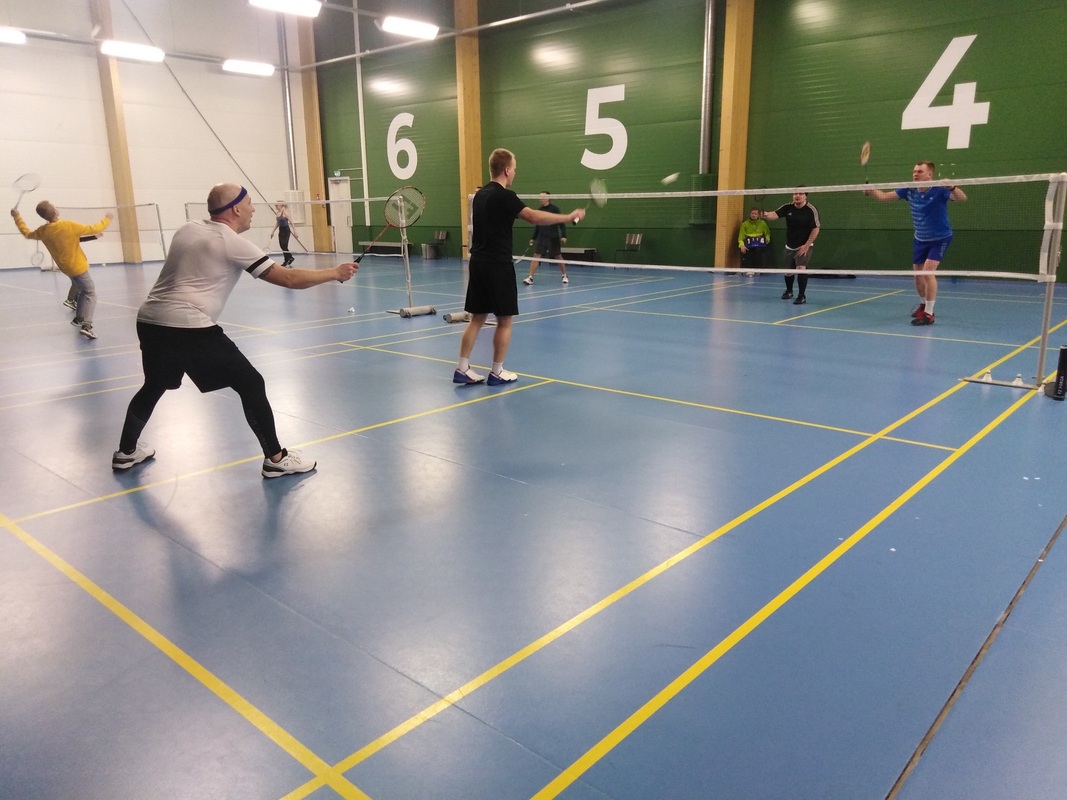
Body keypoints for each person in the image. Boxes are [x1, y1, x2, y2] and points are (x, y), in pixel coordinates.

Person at [112, 182, 358, 477]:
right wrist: (335, 273)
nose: (253, 209)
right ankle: (276, 459)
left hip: (150, 320)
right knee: (251, 383)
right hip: (188, 325)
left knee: (154, 385)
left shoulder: (188, 229)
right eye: (250, 203)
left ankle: (126, 452)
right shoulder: (231, 241)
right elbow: (288, 279)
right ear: (236, 209)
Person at [454, 149, 585, 386]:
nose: (515, 172)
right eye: (514, 168)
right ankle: (497, 372)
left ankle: (462, 368)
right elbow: (534, 217)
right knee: (505, 320)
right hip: (498, 264)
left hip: (478, 262)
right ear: (506, 170)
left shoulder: (480, 195)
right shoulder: (505, 196)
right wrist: (568, 217)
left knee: (477, 318)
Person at [864, 161, 967, 326]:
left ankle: (929, 314)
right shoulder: (909, 189)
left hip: (940, 238)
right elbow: (883, 197)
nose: (915, 174)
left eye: (920, 171)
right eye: (914, 171)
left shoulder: (939, 189)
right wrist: (872, 190)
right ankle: (923, 305)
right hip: (920, 238)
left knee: (927, 272)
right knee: (918, 276)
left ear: (929, 175)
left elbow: (962, 198)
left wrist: (953, 187)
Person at [11, 201, 112, 339]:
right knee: (90, 293)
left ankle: (79, 318)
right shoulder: (69, 225)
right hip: (78, 267)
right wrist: (107, 218)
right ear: (55, 212)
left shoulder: (43, 231)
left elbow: (26, 233)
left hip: (65, 268)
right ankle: (87, 326)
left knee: (82, 290)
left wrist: (16, 216)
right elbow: (94, 228)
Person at [761, 189, 820, 305]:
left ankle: (801, 296)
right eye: (795, 193)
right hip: (790, 245)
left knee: (801, 268)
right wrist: (766, 215)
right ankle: (789, 291)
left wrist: (806, 245)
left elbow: (816, 228)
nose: (797, 196)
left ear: (805, 196)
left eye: (800, 194)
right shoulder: (788, 207)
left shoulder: (811, 210)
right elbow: (775, 214)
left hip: (804, 245)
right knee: (788, 272)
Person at [522, 191, 569, 285]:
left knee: (558, 256)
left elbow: (561, 223)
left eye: (543, 197)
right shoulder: (539, 210)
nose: (541, 199)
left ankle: (564, 276)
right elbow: (537, 225)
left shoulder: (555, 209)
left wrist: (563, 235)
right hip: (542, 237)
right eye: (540, 197)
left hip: (553, 237)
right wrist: (533, 238)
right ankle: (530, 277)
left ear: (548, 198)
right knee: (536, 256)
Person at [737, 206, 771, 271]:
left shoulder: (763, 224)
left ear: (758, 215)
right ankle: (748, 270)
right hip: (748, 245)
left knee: (758, 251)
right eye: (752, 213)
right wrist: (742, 246)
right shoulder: (744, 224)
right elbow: (740, 238)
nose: (753, 215)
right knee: (748, 253)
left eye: (755, 214)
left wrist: (767, 240)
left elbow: (767, 234)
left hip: (759, 245)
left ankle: (758, 270)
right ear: (750, 214)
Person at [269, 202, 299, 267]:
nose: (276, 206)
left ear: (281, 205)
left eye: (277, 205)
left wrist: (295, 231)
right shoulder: (277, 213)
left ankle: (286, 260)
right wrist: (273, 231)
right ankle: (290, 257)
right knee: (282, 245)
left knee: (284, 245)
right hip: (281, 230)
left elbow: (291, 222)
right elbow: (278, 223)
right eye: (275, 205)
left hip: (286, 230)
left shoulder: (285, 213)